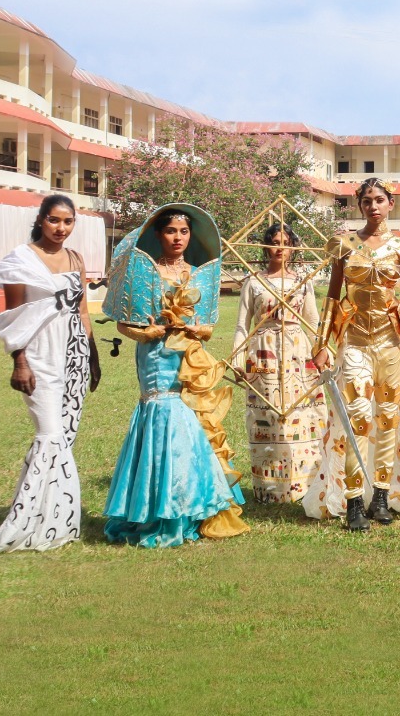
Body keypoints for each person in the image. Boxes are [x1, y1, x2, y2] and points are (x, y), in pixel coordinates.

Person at [102, 204, 247, 547]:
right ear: (158, 234)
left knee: (191, 421)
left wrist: (194, 328)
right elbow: (123, 322)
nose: (178, 238)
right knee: (162, 416)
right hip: (155, 358)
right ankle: (158, 510)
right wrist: (145, 334)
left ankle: (192, 508)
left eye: (183, 232)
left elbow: (208, 327)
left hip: (189, 359)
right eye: (170, 231)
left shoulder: (199, 275)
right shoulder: (144, 272)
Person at [0, 195, 102, 555]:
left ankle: (50, 519)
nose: (61, 228)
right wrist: (19, 362)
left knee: (64, 437)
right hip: (39, 354)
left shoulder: (75, 259)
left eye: (68, 222)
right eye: (54, 220)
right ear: (40, 219)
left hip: (74, 352)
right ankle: (31, 523)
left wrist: (93, 357)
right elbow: (13, 317)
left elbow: (82, 311)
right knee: (50, 434)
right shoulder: (20, 260)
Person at [309, 179, 400, 530]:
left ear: (391, 203)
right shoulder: (344, 245)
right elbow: (332, 296)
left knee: (388, 418)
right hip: (355, 341)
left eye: (379, 200)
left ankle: (380, 496)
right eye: (366, 201)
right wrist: (321, 343)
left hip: (391, 342)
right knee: (357, 417)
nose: (373, 206)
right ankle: (353, 502)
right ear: (359, 205)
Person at [232, 223, 327, 504]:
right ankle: (270, 488)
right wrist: (238, 360)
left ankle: (304, 484)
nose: (280, 248)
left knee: (302, 414)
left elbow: (312, 320)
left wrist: (322, 350)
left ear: (293, 248)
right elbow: (242, 324)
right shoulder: (253, 282)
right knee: (268, 412)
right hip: (264, 351)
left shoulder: (304, 281)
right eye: (274, 242)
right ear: (266, 246)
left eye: (286, 243)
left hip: (298, 352)